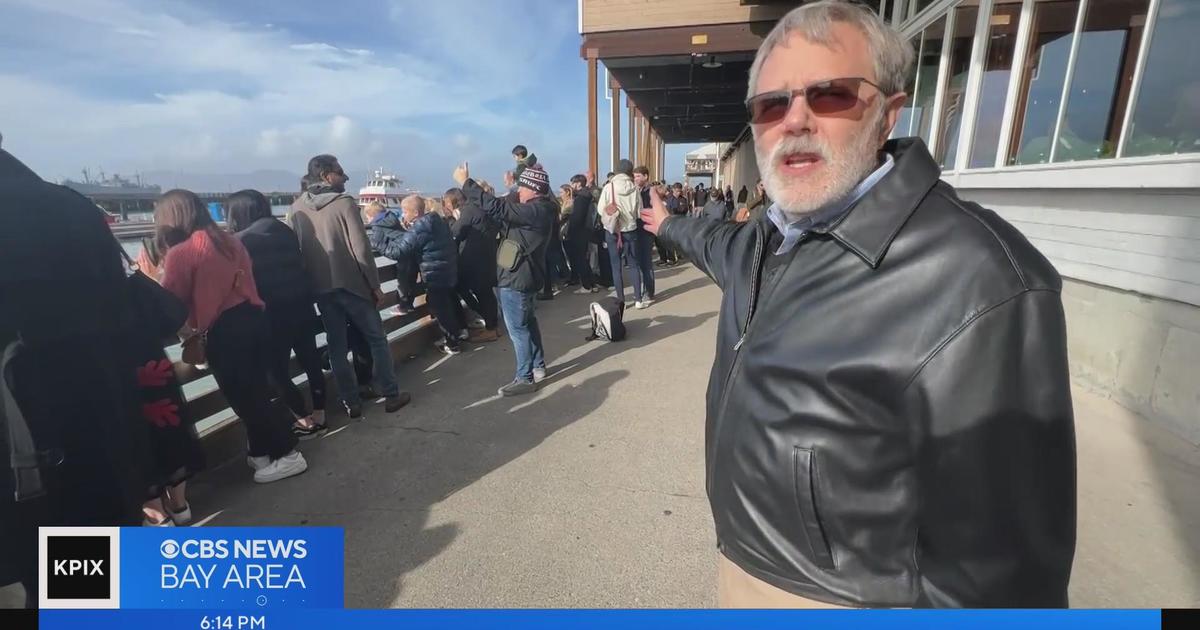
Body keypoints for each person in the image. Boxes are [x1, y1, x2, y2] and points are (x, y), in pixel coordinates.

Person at [641, 0, 1075, 609]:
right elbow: (707, 240)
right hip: (741, 569)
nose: (795, 121)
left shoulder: (978, 277)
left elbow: (1006, 572)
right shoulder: (764, 243)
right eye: (771, 105)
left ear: (887, 113)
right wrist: (664, 223)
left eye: (831, 95)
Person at [1, 147, 149, 603]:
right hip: (100, 426)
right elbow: (125, 317)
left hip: (19, 451)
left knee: (35, 581)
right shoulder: (73, 207)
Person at [155, 189, 308, 484]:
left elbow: (169, 302)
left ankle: (288, 455)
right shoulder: (228, 241)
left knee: (246, 399)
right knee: (258, 391)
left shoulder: (182, 253)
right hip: (254, 319)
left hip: (224, 331)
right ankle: (262, 452)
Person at [290, 154, 411, 418]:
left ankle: (350, 402)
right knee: (376, 339)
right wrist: (375, 285)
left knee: (336, 348)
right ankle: (391, 394)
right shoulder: (344, 203)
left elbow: (297, 251)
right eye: (340, 172)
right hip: (353, 286)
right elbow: (361, 248)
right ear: (326, 175)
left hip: (321, 289)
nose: (345, 177)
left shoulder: (296, 208)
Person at [227, 190, 327, 440]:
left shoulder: (240, 240)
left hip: (270, 316)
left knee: (276, 371)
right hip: (302, 308)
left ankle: (303, 420)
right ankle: (320, 412)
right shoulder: (286, 232)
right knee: (310, 360)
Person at [455, 163, 554, 397]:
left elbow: (499, 208)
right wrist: (511, 186)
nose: (519, 191)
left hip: (517, 278)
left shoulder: (535, 211)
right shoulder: (543, 209)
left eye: (523, 187)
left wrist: (465, 183)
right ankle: (538, 367)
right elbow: (503, 207)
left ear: (534, 189)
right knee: (528, 323)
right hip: (527, 276)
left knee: (518, 330)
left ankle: (525, 378)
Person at [383, 195, 463, 355]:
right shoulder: (436, 220)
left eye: (404, 211)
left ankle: (452, 343)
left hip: (434, 273)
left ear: (414, 212)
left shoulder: (421, 226)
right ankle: (456, 336)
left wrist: (379, 243)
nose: (403, 215)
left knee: (441, 309)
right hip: (446, 270)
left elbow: (399, 251)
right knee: (447, 304)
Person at [447, 187, 501, 343]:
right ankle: (493, 326)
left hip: (474, 261)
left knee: (479, 293)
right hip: (488, 256)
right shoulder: (484, 209)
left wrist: (452, 219)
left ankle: (490, 328)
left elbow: (456, 232)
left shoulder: (469, 210)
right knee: (487, 294)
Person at [596, 159, 652, 309]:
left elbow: (601, 209)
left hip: (614, 231)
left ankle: (621, 300)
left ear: (616, 170)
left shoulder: (609, 187)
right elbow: (639, 212)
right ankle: (638, 299)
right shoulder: (634, 188)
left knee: (616, 267)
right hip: (631, 230)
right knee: (634, 265)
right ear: (630, 171)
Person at [564, 174, 599, 293]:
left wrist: (569, 230)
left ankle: (586, 286)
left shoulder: (581, 198)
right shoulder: (588, 196)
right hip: (587, 231)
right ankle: (592, 284)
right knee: (585, 259)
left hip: (579, 233)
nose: (572, 186)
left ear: (578, 183)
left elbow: (577, 218)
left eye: (573, 183)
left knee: (580, 259)